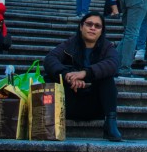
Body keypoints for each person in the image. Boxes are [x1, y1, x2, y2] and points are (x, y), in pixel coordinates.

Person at [43, 12, 122, 141]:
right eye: (89, 24)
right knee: (49, 76)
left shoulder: (107, 47)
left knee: (107, 77)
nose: (92, 28)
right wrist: (67, 76)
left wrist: (85, 74)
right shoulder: (70, 44)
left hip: (94, 104)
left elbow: (113, 64)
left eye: (97, 26)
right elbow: (50, 59)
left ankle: (111, 123)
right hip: (69, 102)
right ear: (81, 27)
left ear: (101, 31)